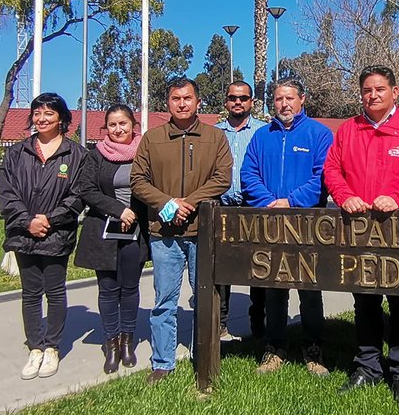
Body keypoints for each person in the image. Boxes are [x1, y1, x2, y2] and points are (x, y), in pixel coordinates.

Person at [323, 65, 399, 404]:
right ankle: (368, 368)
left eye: (379, 89)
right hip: (359, 230)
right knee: (366, 302)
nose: (373, 95)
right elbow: (332, 169)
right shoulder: (348, 130)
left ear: (394, 92)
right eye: (367, 90)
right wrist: (345, 197)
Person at [132, 77, 232, 385]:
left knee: (205, 298)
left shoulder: (215, 138)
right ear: (168, 103)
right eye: (176, 99)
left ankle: (204, 356)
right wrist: (168, 202)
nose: (182, 104)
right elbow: (138, 181)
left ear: (198, 102)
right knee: (164, 300)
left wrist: (189, 202)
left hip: (202, 231)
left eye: (187, 98)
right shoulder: (152, 138)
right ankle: (163, 361)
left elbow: (222, 178)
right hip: (164, 234)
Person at [241, 78, 334, 376]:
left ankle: (313, 348)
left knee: (309, 289)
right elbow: (248, 174)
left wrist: (291, 202)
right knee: (274, 288)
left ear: (302, 99)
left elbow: (323, 178)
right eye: (279, 99)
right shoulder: (261, 136)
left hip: (307, 225)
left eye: (289, 98)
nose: (284, 104)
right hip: (270, 223)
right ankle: (275, 347)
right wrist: (270, 202)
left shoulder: (319, 134)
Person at [0, 93, 88, 381]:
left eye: (48, 113)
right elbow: (7, 194)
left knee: (56, 291)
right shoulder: (16, 153)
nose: (42, 118)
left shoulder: (76, 155)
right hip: (24, 234)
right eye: (37, 112)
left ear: (61, 117)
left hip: (56, 234)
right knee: (30, 293)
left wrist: (50, 219)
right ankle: (35, 346)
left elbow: (78, 196)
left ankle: (52, 347)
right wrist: (28, 221)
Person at [74, 104, 149, 375]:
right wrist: (119, 210)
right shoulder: (96, 155)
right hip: (103, 232)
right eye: (113, 125)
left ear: (133, 125)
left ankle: (128, 339)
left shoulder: (145, 152)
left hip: (136, 233)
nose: (118, 129)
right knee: (108, 290)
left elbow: (152, 188)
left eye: (123, 124)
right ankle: (112, 342)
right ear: (106, 128)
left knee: (129, 288)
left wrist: (135, 214)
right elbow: (86, 189)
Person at [216, 80, 266, 341]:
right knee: (223, 268)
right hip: (222, 208)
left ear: (251, 102)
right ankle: (221, 323)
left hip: (253, 207)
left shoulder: (264, 132)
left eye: (243, 98)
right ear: (226, 101)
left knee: (258, 268)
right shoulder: (213, 133)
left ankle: (259, 322)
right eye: (233, 98)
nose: (238, 102)